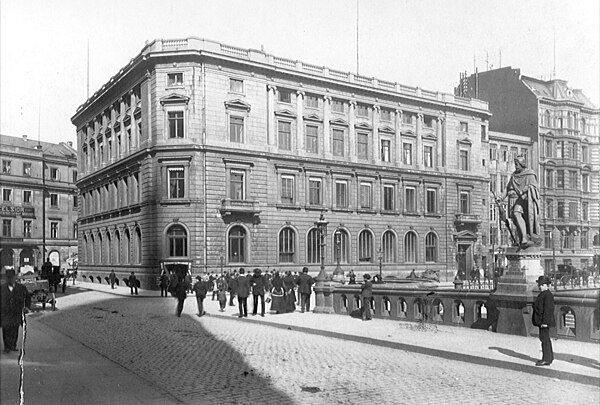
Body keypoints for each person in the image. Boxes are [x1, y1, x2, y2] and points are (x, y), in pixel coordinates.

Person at [496, 155, 541, 248]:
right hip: (518, 200)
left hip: (528, 201)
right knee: (516, 217)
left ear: (522, 164)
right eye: (515, 164)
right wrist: (501, 198)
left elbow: (534, 187)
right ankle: (523, 239)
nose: (516, 166)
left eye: (517, 164)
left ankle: (526, 238)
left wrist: (525, 190)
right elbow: (507, 189)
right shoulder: (514, 176)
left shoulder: (530, 174)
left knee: (522, 216)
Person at [0, 271, 32, 353]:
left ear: (15, 278)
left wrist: (26, 307)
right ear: (6, 278)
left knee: (14, 329)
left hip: (16, 312)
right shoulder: (2, 288)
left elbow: (27, 297)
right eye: (8, 278)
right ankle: (7, 346)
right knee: (6, 329)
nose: (10, 280)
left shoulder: (21, 288)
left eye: (12, 278)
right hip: (5, 313)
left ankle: (13, 345)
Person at [532, 275, 555, 366]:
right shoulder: (544, 294)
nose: (540, 287)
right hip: (542, 321)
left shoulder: (547, 295)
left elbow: (548, 310)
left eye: (541, 285)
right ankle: (549, 357)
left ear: (546, 285)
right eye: (539, 285)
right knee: (544, 339)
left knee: (545, 339)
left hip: (544, 321)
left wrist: (545, 322)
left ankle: (546, 358)